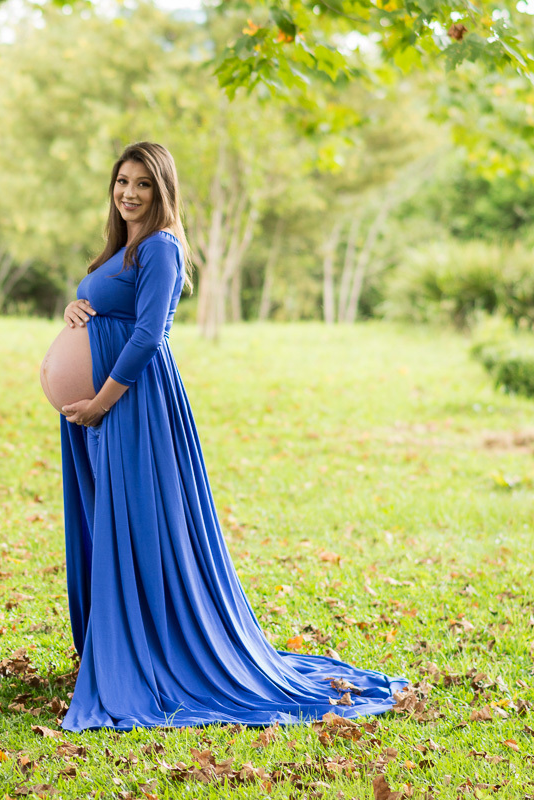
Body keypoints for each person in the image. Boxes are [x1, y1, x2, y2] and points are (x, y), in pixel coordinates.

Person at [54, 141, 406, 730]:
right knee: (112, 518)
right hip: (98, 407)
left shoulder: (161, 246)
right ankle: (121, 646)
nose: (129, 193)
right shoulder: (122, 248)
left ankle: (152, 653)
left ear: (162, 190)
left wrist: (100, 402)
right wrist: (76, 305)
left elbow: (149, 336)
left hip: (129, 403)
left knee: (142, 520)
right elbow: (109, 306)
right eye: (122, 181)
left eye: (143, 183)